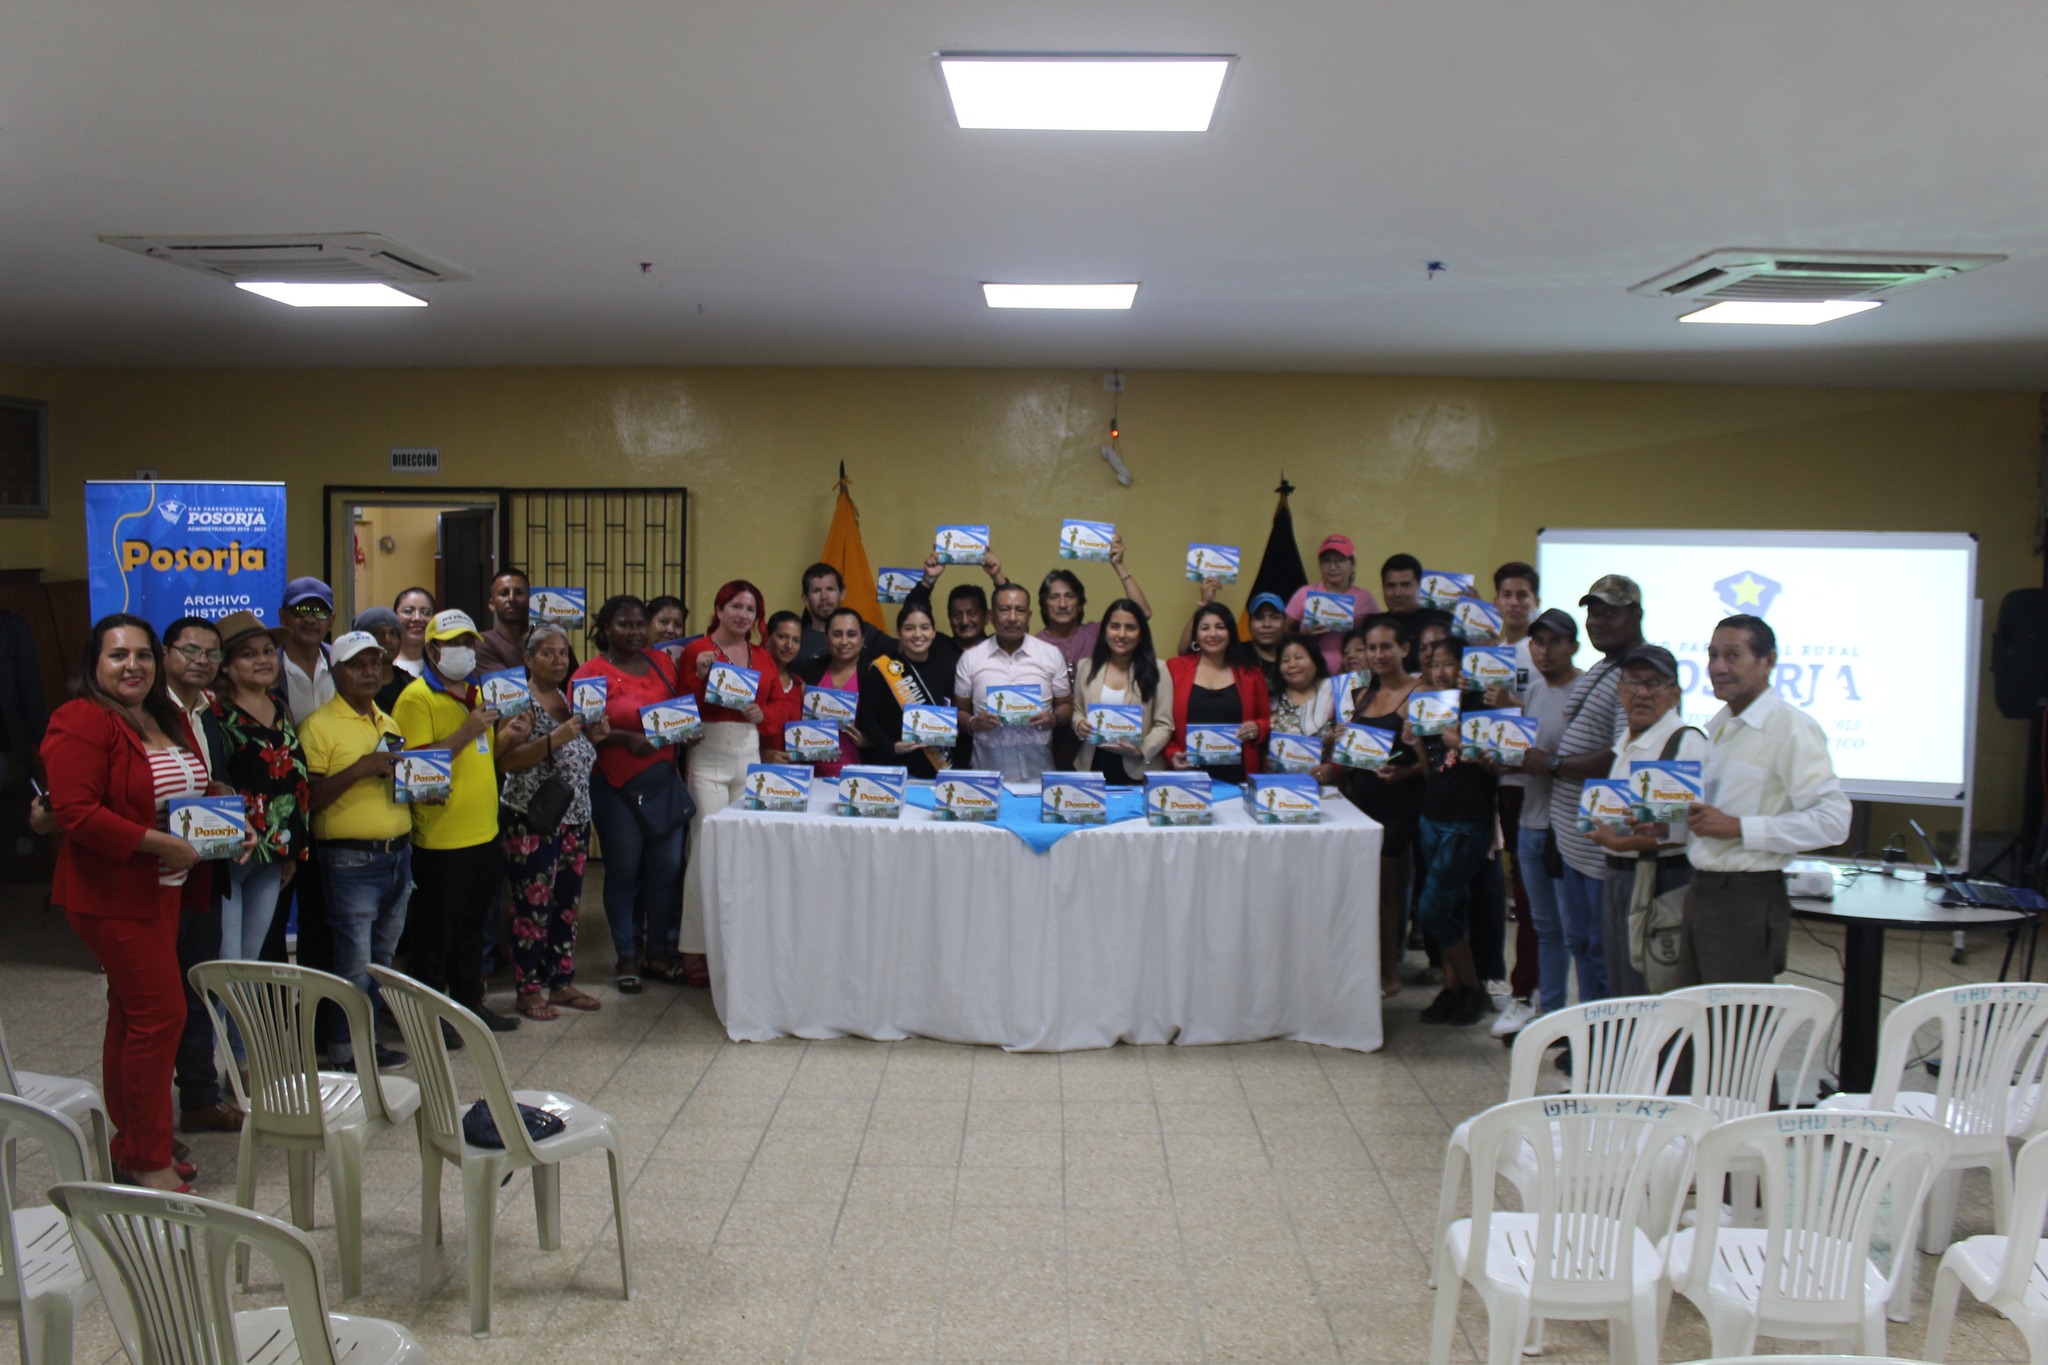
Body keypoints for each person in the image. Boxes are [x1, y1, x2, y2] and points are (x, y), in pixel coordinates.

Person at [42, 615, 242, 1191]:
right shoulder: (81, 719)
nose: (133, 665)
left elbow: (184, 788)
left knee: (132, 1015)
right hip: (114, 894)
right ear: (95, 663)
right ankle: (149, 1157)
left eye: (143, 655)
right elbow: (77, 813)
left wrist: (221, 812)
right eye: (118, 655)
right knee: (162, 1016)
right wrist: (160, 844)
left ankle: (131, 1145)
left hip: (169, 890)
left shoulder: (163, 715)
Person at [1681, 614, 1852, 985]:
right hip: (1701, 888)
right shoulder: (1720, 726)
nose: (1718, 667)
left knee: (1734, 1015)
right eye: (1712, 655)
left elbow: (1834, 822)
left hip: (1747, 896)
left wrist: (1740, 829)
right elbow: (1707, 818)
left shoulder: (1791, 728)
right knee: (1693, 1010)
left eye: (1732, 655)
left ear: (1768, 661)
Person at [391, 609, 526, 1032]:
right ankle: (432, 1020)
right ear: (432, 650)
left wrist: (507, 736)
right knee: (436, 937)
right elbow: (415, 769)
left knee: (473, 932)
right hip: (442, 840)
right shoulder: (416, 697)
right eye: (454, 645)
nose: (463, 652)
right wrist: (468, 730)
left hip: (484, 831)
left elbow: (482, 757)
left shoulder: (476, 693)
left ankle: (470, 1006)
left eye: (468, 644)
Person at [1521, 574, 1647, 1004]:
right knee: (1580, 943)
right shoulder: (1605, 667)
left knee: (1601, 950)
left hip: (1603, 844)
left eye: (1610, 612)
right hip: (1573, 837)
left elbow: (1624, 754)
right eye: (1593, 612)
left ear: (1636, 615)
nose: (1598, 621)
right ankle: (1588, 1031)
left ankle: (1606, 1036)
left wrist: (1553, 764)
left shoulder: (1637, 672)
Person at [299, 630, 414, 1068]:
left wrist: (422, 791)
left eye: (375, 664)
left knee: (381, 960)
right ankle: (346, 1050)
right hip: (349, 861)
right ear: (336, 672)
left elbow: (393, 784)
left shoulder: (387, 722)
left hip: (397, 855)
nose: (369, 672)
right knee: (353, 961)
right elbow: (310, 798)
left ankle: (368, 1041)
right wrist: (360, 769)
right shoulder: (319, 726)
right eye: (357, 664)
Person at [577, 596, 696, 993]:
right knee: (624, 871)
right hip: (615, 786)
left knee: (666, 868)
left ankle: (657, 953)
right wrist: (626, 738)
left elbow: (677, 713)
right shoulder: (590, 674)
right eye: (624, 624)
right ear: (606, 628)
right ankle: (627, 954)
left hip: (662, 783)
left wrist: (686, 729)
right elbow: (585, 731)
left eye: (640, 624)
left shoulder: (662, 663)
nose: (634, 632)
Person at [493, 622, 608, 1019]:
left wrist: (595, 735)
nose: (558, 660)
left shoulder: (568, 697)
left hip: (574, 816)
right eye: (547, 653)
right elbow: (505, 761)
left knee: (567, 904)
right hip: (533, 818)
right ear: (528, 658)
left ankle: (560, 981)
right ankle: (527, 989)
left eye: (562, 653)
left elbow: (578, 748)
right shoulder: (519, 701)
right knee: (532, 905)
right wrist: (555, 738)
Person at [157, 616, 241, 1137]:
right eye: (190, 650)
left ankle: (199, 1098)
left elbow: (212, 782)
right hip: (157, 876)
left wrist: (231, 814)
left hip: (205, 874)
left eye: (211, 654)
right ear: (165, 653)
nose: (201, 661)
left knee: (196, 990)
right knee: (157, 1002)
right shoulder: (148, 711)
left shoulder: (208, 712)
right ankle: (147, 1127)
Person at [1586, 644, 1706, 997]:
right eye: (1633, 682)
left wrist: (1621, 841)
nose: (1641, 693)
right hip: (1620, 876)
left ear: (1675, 694)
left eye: (1654, 683)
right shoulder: (1626, 740)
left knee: (1654, 985)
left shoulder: (1685, 742)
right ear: (1619, 689)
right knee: (1623, 983)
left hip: (1660, 880)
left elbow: (1688, 825)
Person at [1493, 609, 1583, 1039]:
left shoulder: (1585, 690)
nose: (1544, 651)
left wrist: (1546, 763)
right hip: (1531, 819)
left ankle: (1569, 1016)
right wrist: (1500, 758)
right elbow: (1527, 751)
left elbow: (1585, 759)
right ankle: (1549, 1014)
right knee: (1544, 925)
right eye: (1538, 642)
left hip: (1566, 825)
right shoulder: (1534, 692)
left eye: (1554, 642)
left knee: (1571, 929)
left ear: (1574, 646)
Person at [210, 611, 311, 970]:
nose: (263, 660)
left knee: (251, 961)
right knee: (228, 961)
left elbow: (293, 781)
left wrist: (290, 850)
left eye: (268, 651)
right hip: (229, 853)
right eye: (248, 654)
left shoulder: (281, 708)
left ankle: (242, 1014)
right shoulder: (213, 713)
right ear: (225, 665)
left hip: (273, 854)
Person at [1411, 636, 1499, 1026]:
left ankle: (1473, 986)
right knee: (1453, 908)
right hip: (1433, 815)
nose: (1441, 671)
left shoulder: (1480, 707)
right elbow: (1431, 772)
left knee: (1432, 909)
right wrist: (1417, 742)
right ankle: (1453, 989)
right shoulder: (1432, 708)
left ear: (1466, 669)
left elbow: (1498, 764)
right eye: (1434, 665)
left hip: (1467, 821)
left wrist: (1459, 741)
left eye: (1449, 664)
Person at [1340, 616, 1424, 997]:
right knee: (1365, 889)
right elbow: (1354, 758)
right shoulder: (1363, 696)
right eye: (1371, 648)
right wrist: (1340, 742)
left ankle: (1389, 972)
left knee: (1385, 888)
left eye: (1386, 647)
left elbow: (1439, 759)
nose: (1377, 655)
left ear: (1404, 649)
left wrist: (1405, 773)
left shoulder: (1420, 693)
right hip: (1361, 803)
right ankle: (1368, 966)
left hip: (1398, 806)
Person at [1484, 561, 1541, 1026]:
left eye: (1523, 595)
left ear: (1535, 601)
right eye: (1507, 594)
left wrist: (1510, 704)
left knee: (1530, 895)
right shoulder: (1491, 652)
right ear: (1497, 600)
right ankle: (1522, 987)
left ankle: (1529, 992)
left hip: (1533, 785)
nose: (1515, 602)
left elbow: (1545, 719)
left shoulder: (1539, 652)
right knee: (1518, 890)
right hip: (1499, 780)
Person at [955, 582, 1072, 782]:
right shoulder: (971, 658)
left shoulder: (1051, 655)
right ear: (991, 616)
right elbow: (959, 713)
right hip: (987, 776)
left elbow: (1066, 706)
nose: (1012, 618)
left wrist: (1054, 719)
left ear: (1029, 616)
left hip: (1040, 772)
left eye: (1020, 610)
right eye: (1004, 609)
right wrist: (975, 723)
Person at [1164, 603, 1270, 785]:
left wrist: (1257, 728)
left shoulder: (1252, 674)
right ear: (1196, 635)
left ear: (1231, 632)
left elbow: (1266, 720)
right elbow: (1163, 722)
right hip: (1188, 772)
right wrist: (1171, 753)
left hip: (1238, 775)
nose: (1212, 634)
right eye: (1205, 628)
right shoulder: (1175, 669)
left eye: (1220, 627)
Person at [1072, 599, 1173, 783]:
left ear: (1141, 634)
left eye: (1130, 628)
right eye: (1115, 626)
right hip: (1093, 763)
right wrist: (1079, 724)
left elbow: (1164, 724)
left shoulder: (1158, 669)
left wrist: (1141, 751)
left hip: (1138, 767)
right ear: (1105, 631)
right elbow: (1078, 710)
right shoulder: (1086, 667)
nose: (1121, 634)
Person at [857, 600, 959, 779]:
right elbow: (866, 718)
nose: (918, 634)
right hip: (895, 769)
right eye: (909, 628)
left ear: (933, 632)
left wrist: (951, 729)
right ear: (899, 633)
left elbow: (952, 709)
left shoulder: (945, 669)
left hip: (935, 770)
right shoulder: (883, 669)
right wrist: (891, 746)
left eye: (924, 628)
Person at [1035, 533, 1154, 671]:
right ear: (1044, 606)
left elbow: (1143, 613)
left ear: (1080, 605)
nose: (1063, 604)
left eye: (1070, 596)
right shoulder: (1035, 645)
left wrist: (1119, 566)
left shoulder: (1097, 633)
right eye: (1055, 597)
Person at [1286, 535, 1383, 673]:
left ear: (1352, 564)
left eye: (1340, 560)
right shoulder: (1304, 593)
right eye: (1326, 561)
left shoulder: (1364, 597)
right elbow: (1283, 632)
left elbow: (1382, 633)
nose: (1332, 567)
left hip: (1353, 675)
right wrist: (1304, 636)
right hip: (1309, 673)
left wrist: (1358, 634)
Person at [797, 607, 869, 777]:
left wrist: (870, 742)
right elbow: (794, 719)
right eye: (837, 634)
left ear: (862, 639)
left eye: (851, 634)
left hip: (860, 776)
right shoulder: (807, 671)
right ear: (826, 638)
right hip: (811, 774)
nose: (844, 641)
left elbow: (888, 728)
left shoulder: (874, 673)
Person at [792, 563, 889, 674]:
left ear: (842, 593)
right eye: (817, 591)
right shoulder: (795, 641)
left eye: (830, 589)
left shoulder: (867, 632)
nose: (824, 597)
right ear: (805, 598)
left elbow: (901, 653)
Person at [1269, 635, 1339, 785]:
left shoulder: (1336, 691)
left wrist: (1334, 768)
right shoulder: (1271, 697)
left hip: (1325, 787)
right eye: (1285, 660)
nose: (1292, 665)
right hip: (1280, 785)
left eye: (1299, 657)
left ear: (1315, 660)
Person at [279, 577, 336, 726]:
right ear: (282, 616)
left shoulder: (341, 662)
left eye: (320, 612)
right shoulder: (268, 669)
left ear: (331, 621)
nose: (310, 620)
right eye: (301, 610)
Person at [756, 610, 806, 762]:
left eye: (796, 640)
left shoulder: (799, 685)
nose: (789, 645)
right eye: (782, 637)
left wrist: (825, 749)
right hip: (753, 767)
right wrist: (762, 754)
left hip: (792, 770)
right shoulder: (753, 678)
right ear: (768, 638)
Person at [473, 568, 532, 674]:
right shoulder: (482, 643)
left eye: (519, 592)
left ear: (530, 600)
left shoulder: (544, 640)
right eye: (504, 593)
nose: (511, 598)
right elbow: (507, 684)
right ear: (492, 604)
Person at [392, 587, 435, 679]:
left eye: (426, 612)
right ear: (394, 616)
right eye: (408, 611)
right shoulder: (383, 665)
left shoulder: (443, 667)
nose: (417, 618)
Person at [1380, 554, 1424, 619]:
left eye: (1405, 585)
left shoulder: (1437, 622)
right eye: (1391, 586)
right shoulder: (1374, 623)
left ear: (1419, 586)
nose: (1398, 593)